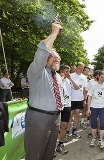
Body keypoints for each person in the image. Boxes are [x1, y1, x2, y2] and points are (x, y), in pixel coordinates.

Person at [24, 21, 63, 160]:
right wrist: (54, 33)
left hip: (55, 118)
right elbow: (41, 52)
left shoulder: (57, 76)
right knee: (34, 155)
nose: (56, 58)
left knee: (48, 155)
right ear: (45, 58)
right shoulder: (37, 72)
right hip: (38, 118)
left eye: (58, 57)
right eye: (52, 56)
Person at [56, 65, 79, 154]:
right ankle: (51, 147)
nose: (68, 73)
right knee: (55, 127)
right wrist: (61, 77)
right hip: (57, 106)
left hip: (67, 105)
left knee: (65, 125)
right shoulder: (57, 79)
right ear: (61, 71)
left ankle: (60, 144)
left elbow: (77, 87)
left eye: (69, 71)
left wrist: (70, 79)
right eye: (66, 71)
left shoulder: (69, 81)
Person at [87, 70, 104, 149]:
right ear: (98, 76)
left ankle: (101, 139)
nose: (102, 79)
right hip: (94, 107)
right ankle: (94, 138)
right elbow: (89, 97)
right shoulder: (93, 85)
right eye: (101, 77)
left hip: (102, 107)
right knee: (93, 123)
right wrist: (88, 109)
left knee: (103, 124)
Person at [70, 62, 88, 136]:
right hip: (71, 99)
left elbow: (84, 89)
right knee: (70, 115)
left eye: (82, 69)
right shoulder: (71, 76)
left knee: (77, 114)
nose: (81, 70)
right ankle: (67, 131)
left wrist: (84, 99)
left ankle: (74, 130)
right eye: (79, 68)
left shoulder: (84, 77)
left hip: (79, 99)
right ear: (76, 68)